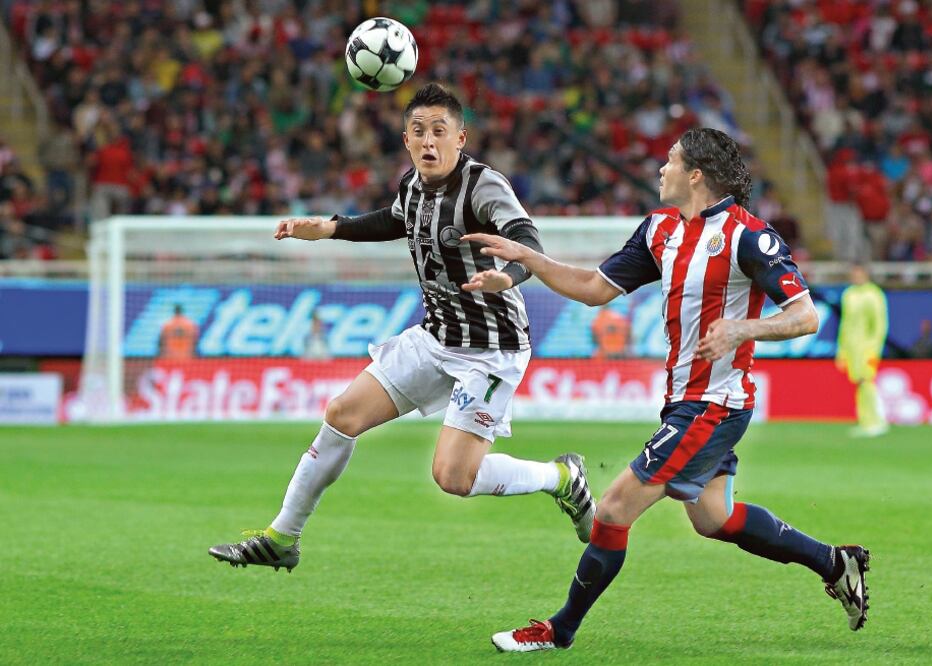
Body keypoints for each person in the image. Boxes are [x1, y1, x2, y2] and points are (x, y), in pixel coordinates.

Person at [463, 128, 870, 652]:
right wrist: (528, 263)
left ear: (696, 173)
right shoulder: (659, 230)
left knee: (610, 510)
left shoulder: (748, 236)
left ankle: (557, 630)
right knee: (714, 519)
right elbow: (593, 289)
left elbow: (805, 315)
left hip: (714, 405)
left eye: (671, 161)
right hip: (686, 401)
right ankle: (836, 562)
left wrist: (744, 328)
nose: (661, 169)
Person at [209, 83, 595, 572]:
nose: (428, 142)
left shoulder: (484, 186)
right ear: (406, 140)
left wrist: (509, 275)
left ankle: (561, 478)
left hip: (491, 348)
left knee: (453, 476)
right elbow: (393, 221)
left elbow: (525, 237)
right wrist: (329, 228)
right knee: (342, 414)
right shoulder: (411, 186)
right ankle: (282, 538)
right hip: (436, 337)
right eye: (418, 132)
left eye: (439, 131)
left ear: (461, 138)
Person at [836, 263, 889, 437]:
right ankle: (865, 421)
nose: (856, 277)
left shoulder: (874, 294)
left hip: (868, 349)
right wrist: (841, 351)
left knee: (867, 381)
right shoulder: (848, 294)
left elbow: (880, 325)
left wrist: (875, 348)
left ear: (866, 274)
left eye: (859, 273)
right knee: (860, 382)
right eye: (854, 274)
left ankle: (876, 421)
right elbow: (844, 324)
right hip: (852, 349)